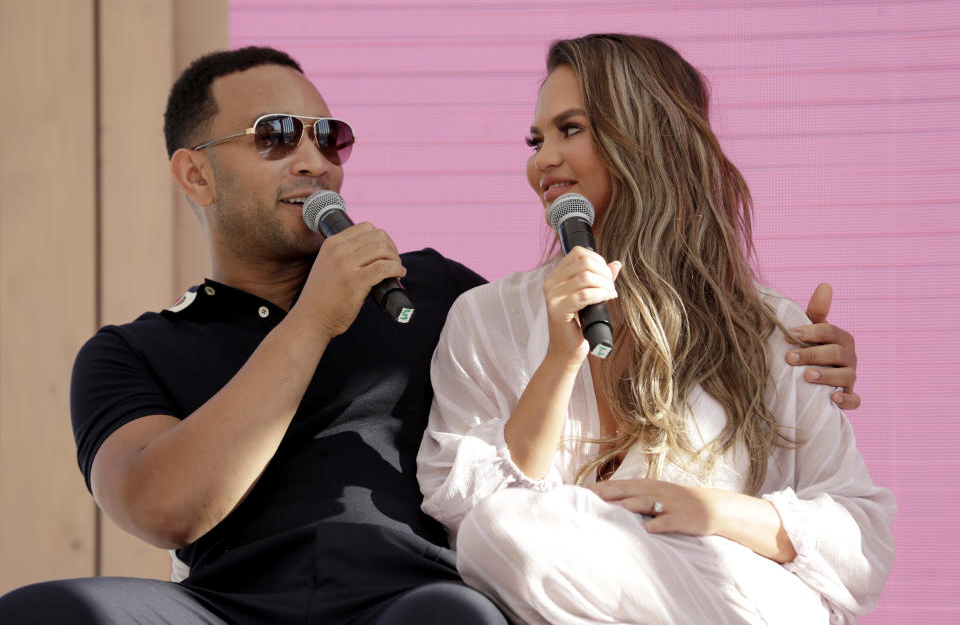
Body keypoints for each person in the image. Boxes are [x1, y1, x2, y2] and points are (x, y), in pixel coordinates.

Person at [0, 44, 859, 624]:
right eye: (275, 138)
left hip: (417, 598)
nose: (315, 160)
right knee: (47, 613)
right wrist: (313, 319)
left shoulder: (439, 291)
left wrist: (791, 352)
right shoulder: (131, 351)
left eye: (328, 137)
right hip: (227, 609)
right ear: (195, 172)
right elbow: (163, 506)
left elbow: (590, 354)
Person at [417, 34, 895, 624]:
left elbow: (860, 541)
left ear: (647, 139)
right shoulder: (484, 317)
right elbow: (466, 518)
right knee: (498, 530)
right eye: (537, 139)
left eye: (571, 129)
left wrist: (706, 511)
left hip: (740, 594)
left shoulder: (771, 328)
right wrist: (559, 362)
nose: (542, 159)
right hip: (573, 590)